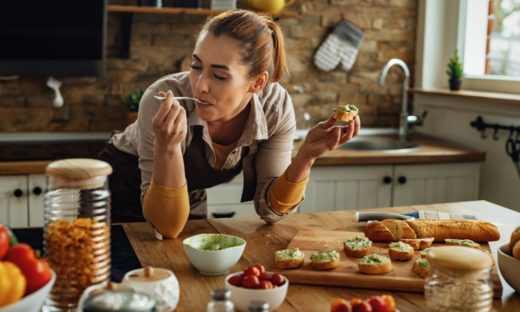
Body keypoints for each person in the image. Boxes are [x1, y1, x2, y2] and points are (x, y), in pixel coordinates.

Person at [99, 9, 361, 238]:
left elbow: (270, 211)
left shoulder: (275, 107)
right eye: (196, 66)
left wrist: (305, 157)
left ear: (257, 83)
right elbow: (165, 226)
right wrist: (168, 147)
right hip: (123, 185)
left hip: (187, 190)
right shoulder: (162, 99)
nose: (200, 85)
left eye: (220, 76)